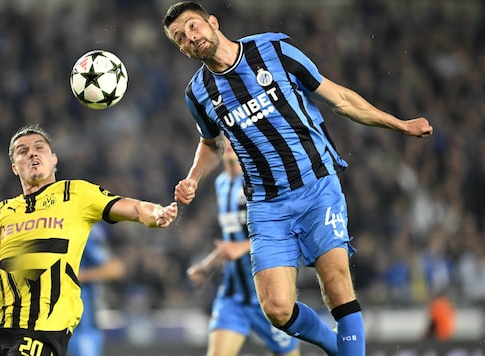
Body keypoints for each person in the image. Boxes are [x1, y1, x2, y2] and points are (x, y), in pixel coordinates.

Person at [162, 2, 433, 355]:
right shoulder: (198, 93)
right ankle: (339, 348)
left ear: (212, 22)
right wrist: (193, 178)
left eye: (193, 27)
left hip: (316, 185)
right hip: (266, 203)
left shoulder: (273, 50)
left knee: (336, 282)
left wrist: (399, 124)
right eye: (180, 38)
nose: (189, 38)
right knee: (276, 308)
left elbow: (339, 99)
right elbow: (211, 143)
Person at [0, 124, 178, 356]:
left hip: (44, 332)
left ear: (54, 158)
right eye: (23, 151)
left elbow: (133, 208)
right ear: (14, 167)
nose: (32, 154)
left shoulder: (76, 193)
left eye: (39, 148)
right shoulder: (2, 212)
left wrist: (157, 213)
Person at [187, 141, 299, 356]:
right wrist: (207, 265)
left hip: (267, 293)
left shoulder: (258, 179)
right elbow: (231, 239)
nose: (227, 141)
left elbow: (284, 227)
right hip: (233, 296)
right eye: (222, 137)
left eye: (231, 136)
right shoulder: (221, 184)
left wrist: (244, 246)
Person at [68, 222, 126, 356]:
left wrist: (75, 276)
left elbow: (115, 269)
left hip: (82, 326)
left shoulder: (81, 232)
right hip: (49, 322)